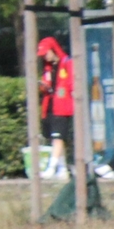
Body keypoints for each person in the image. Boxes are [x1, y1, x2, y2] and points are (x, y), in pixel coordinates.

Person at [38, 35, 76, 177]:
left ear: (53, 50)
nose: (45, 57)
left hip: (63, 107)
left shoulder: (67, 62)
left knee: (58, 138)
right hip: (50, 106)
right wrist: (43, 87)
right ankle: (62, 168)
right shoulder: (48, 68)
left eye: (46, 53)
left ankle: (51, 168)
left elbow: (72, 83)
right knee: (57, 139)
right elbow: (46, 83)